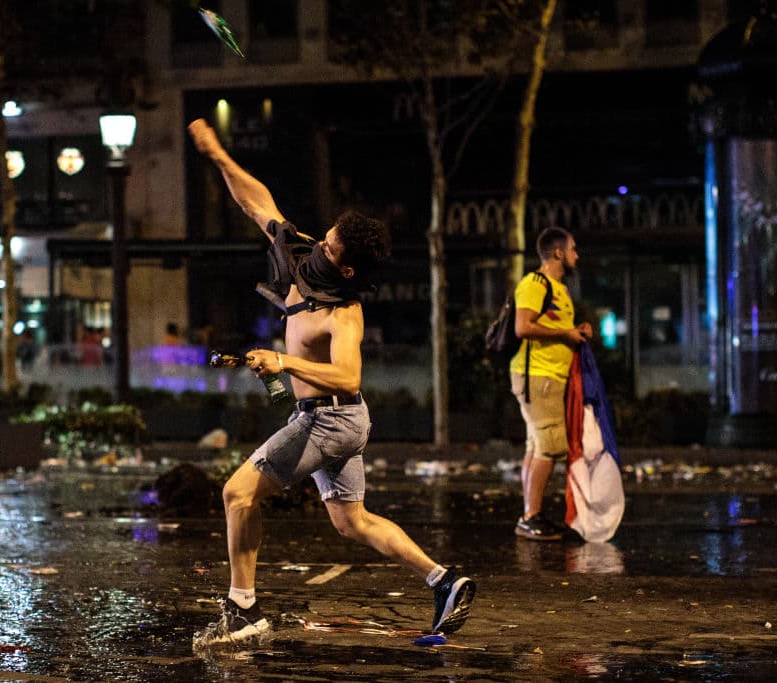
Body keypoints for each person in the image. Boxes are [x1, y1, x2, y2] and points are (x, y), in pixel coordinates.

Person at [187, 118, 475, 648]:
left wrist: (285, 362)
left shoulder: (345, 311)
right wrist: (219, 157)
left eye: (331, 246)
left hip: (332, 419)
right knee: (352, 521)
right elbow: (258, 204)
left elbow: (347, 375)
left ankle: (244, 610)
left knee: (237, 493)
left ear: (347, 270)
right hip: (332, 419)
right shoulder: (300, 255)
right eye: (325, 236)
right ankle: (444, 580)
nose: (320, 244)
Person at [511, 226, 594, 541]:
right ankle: (531, 516)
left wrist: (574, 331)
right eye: (573, 248)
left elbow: (555, 326)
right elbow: (522, 327)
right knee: (550, 445)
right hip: (538, 375)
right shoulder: (536, 283)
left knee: (536, 446)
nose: (576, 254)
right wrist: (564, 333)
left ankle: (531, 515)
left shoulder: (559, 288)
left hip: (548, 375)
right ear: (558, 252)